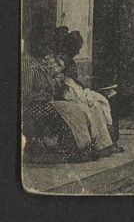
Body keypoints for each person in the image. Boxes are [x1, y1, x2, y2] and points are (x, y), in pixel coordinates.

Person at [22, 26, 115, 162]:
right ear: (34, 43)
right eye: (43, 44)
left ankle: (86, 147)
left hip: (49, 101)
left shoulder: (41, 61)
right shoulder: (27, 63)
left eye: (48, 45)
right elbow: (24, 95)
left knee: (80, 109)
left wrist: (55, 89)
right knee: (73, 112)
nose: (46, 48)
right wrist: (46, 95)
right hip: (35, 106)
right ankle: (77, 150)